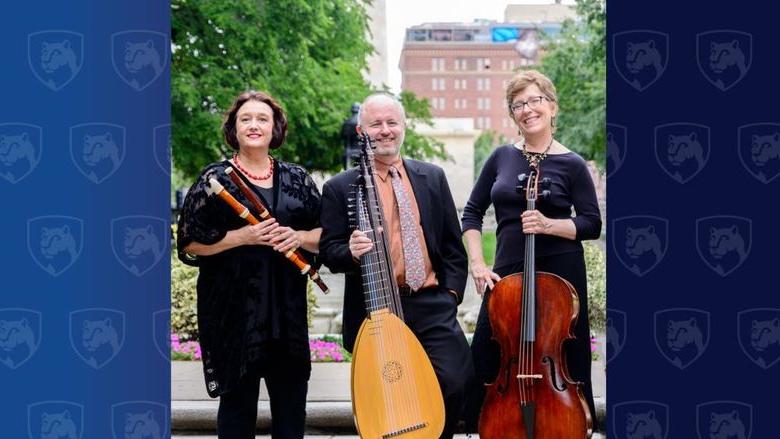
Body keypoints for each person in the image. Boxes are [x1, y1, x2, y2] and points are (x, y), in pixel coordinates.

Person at [319, 93, 474, 439]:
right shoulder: (340, 187)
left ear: (403, 127)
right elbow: (328, 251)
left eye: (392, 123)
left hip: (431, 300)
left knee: (456, 379)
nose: (385, 131)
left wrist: (450, 294)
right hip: (376, 307)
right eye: (376, 124)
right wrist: (350, 251)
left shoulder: (431, 177)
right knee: (387, 395)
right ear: (362, 130)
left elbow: (452, 244)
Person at [461, 69, 602, 429]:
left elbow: (591, 223)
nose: (527, 109)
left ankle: (566, 427)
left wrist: (549, 225)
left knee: (561, 356)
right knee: (490, 358)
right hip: (507, 273)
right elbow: (472, 213)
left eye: (535, 100)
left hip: (561, 279)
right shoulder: (501, 157)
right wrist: (478, 263)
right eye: (518, 104)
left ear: (552, 107)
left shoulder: (572, 164)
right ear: (513, 115)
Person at [177, 90, 322, 439]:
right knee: (237, 413)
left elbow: (327, 234)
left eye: (262, 119)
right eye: (246, 119)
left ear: (275, 129)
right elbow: (189, 241)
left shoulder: (297, 179)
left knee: (291, 413)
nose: (254, 125)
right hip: (234, 315)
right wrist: (243, 237)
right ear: (234, 129)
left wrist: (298, 238)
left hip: (285, 314)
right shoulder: (215, 179)